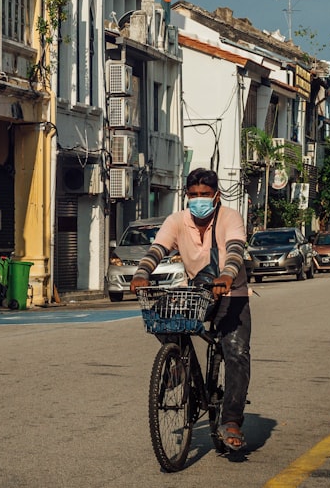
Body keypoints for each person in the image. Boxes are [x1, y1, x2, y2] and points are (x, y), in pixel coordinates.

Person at [129, 168, 251, 451]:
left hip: (231, 291)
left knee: (236, 351)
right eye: (194, 195)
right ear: (187, 196)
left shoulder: (229, 218)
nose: (199, 200)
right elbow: (156, 249)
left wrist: (228, 275)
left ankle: (231, 420)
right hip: (198, 291)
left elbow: (234, 250)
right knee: (165, 318)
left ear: (216, 195)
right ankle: (180, 367)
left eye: (205, 195)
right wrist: (141, 273)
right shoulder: (177, 220)